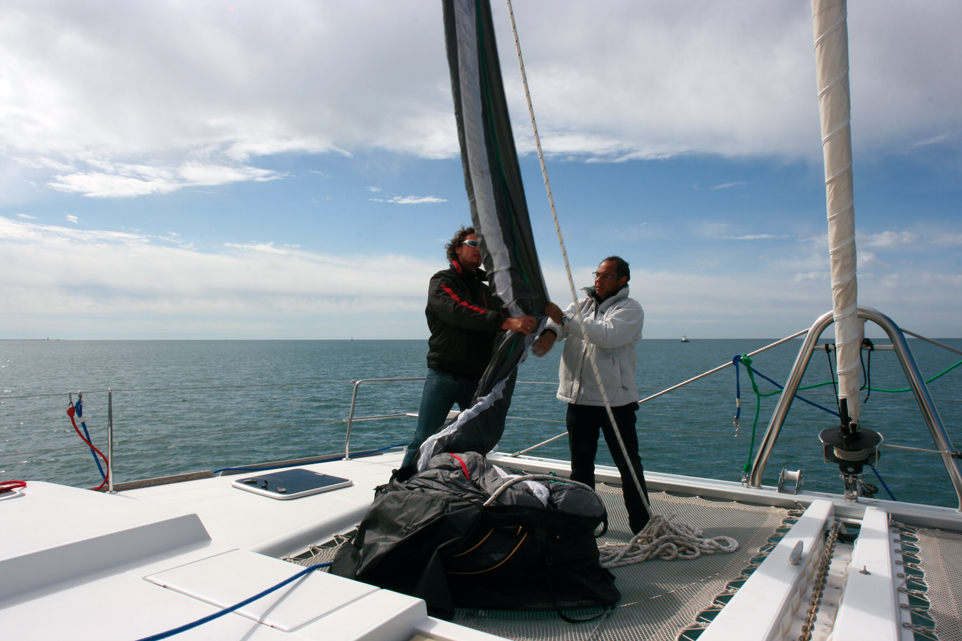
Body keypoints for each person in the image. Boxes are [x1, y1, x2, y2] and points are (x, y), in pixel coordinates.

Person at [401, 226, 538, 469]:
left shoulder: (488, 291)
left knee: (475, 441)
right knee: (423, 438)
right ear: (457, 249)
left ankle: (463, 486)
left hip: (478, 380)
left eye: (483, 247)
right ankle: (401, 485)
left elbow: (513, 311)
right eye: (473, 244)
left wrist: (538, 309)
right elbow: (458, 310)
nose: (479, 250)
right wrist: (504, 321)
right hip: (444, 375)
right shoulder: (442, 281)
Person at [533, 256, 651, 533]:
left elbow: (606, 335)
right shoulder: (582, 305)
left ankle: (643, 528)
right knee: (581, 470)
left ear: (622, 281)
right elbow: (560, 323)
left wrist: (562, 319)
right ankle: (584, 527)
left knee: (629, 468)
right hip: (580, 401)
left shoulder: (630, 309)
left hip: (616, 403)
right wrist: (551, 332)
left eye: (606, 276)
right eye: (597, 274)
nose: (598, 280)